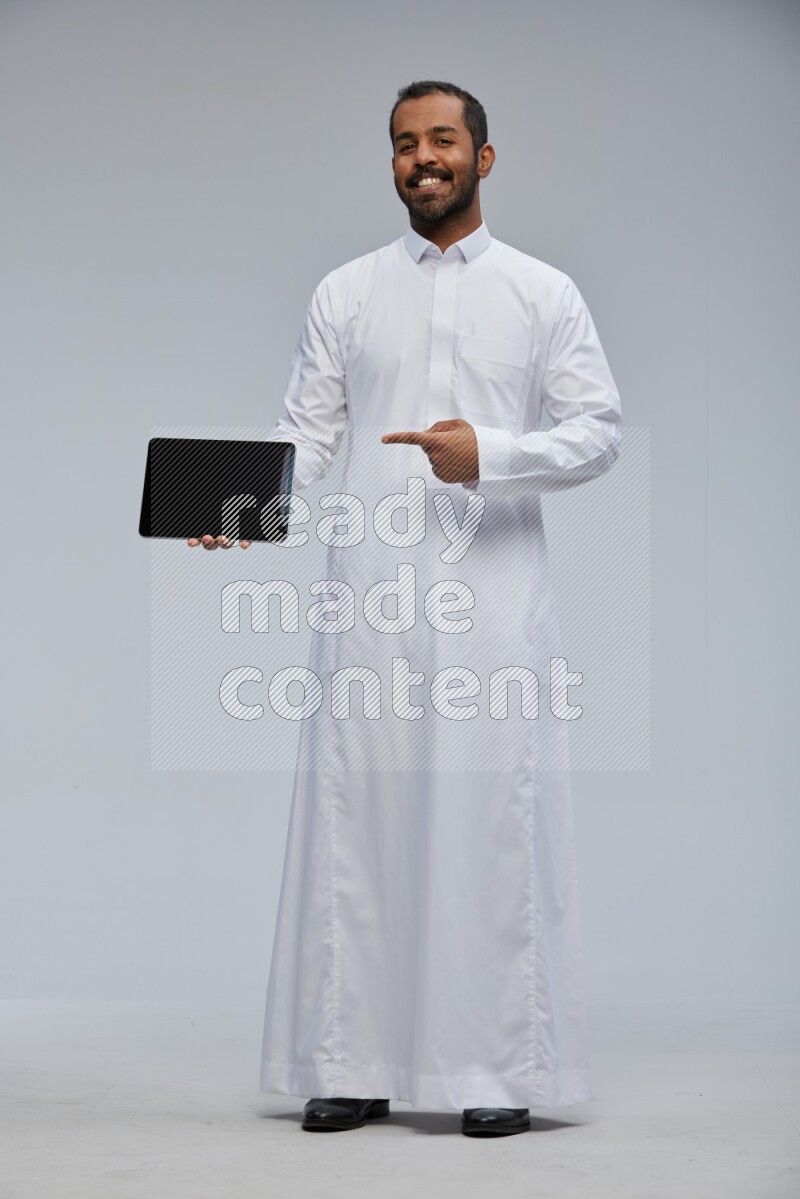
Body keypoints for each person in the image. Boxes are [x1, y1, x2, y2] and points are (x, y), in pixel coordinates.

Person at [190, 79, 622, 1137]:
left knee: (485, 829)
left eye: (439, 140)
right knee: (362, 820)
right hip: (371, 601)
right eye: (400, 145)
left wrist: (494, 452)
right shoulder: (346, 291)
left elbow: (597, 428)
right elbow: (305, 432)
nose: (419, 158)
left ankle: (491, 1067)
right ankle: (351, 1057)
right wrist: (240, 508)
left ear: (482, 156)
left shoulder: (540, 292)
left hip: (492, 605)